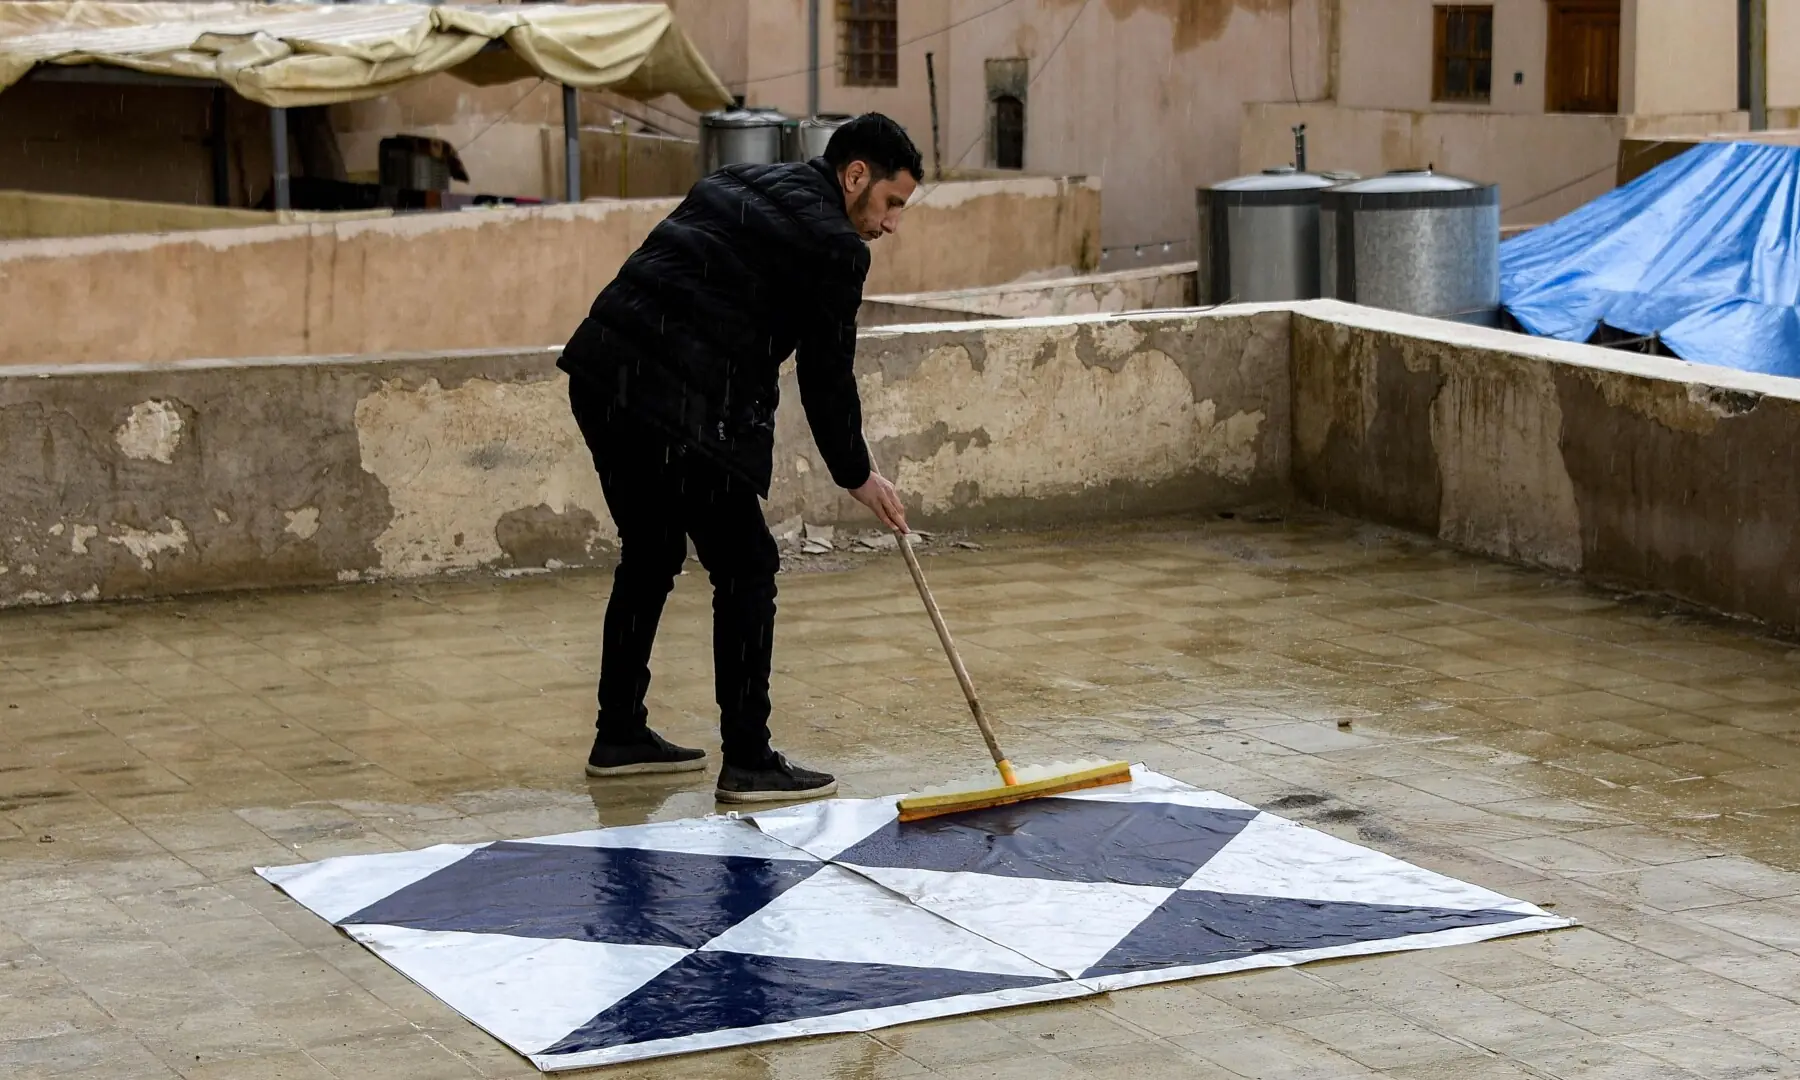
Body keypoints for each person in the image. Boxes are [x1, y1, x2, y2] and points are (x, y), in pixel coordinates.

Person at [557, 113, 922, 803]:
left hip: (604, 376)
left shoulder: (735, 180)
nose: (892, 222)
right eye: (891, 201)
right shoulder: (835, 248)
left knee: (652, 550)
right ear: (854, 177)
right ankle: (749, 759)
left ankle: (619, 735)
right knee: (748, 565)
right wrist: (857, 475)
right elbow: (826, 377)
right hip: (675, 401)